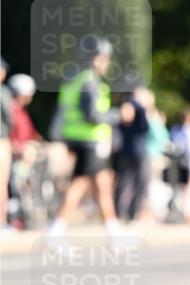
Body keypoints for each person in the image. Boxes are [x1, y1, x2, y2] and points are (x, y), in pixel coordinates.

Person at [46, 36, 123, 239]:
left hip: (80, 139)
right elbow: (92, 115)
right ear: (96, 58)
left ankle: (113, 230)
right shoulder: (89, 81)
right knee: (80, 184)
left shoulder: (76, 78)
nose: (107, 63)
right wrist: (118, 115)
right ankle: (56, 229)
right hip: (90, 141)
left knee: (103, 184)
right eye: (105, 58)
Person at [113, 87, 150, 222]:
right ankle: (131, 214)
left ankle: (119, 213)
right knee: (138, 183)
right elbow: (144, 128)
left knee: (123, 183)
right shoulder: (138, 107)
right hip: (137, 151)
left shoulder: (125, 106)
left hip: (125, 150)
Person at [1, 57, 15, 231]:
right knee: (1, 183)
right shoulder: (3, 92)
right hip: (1, 140)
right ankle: (2, 222)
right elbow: (9, 118)